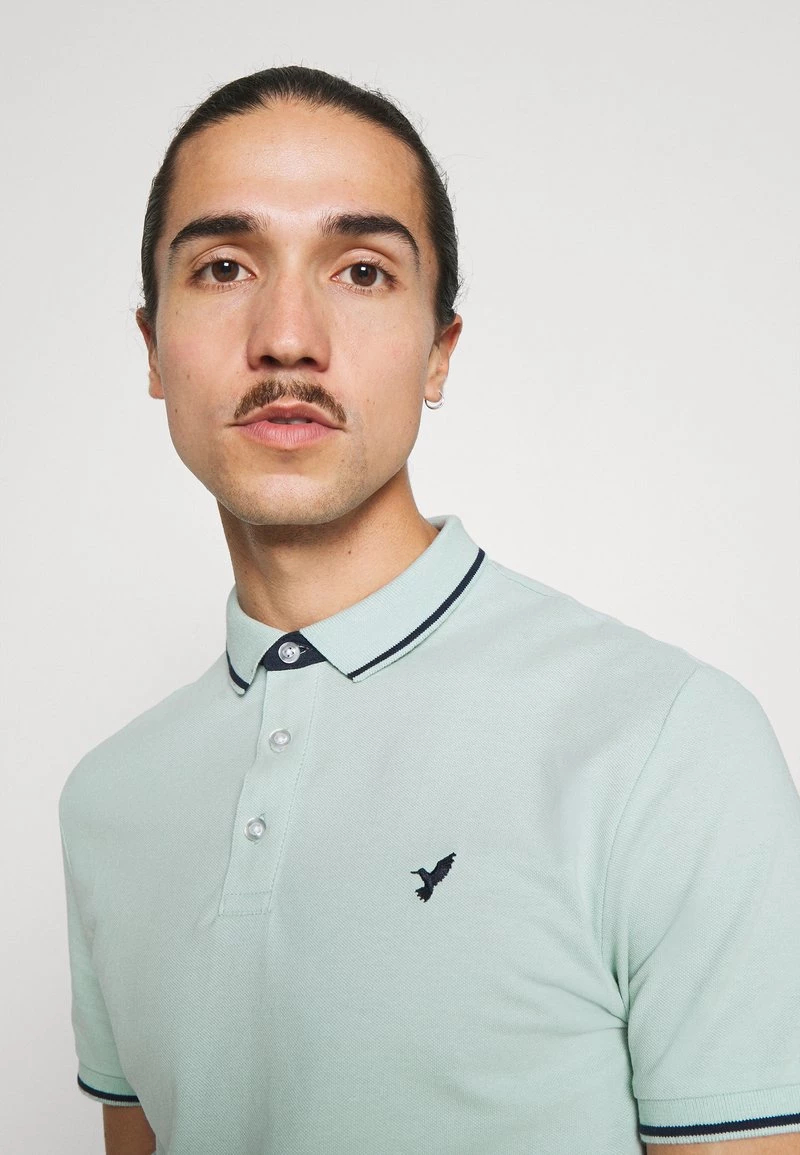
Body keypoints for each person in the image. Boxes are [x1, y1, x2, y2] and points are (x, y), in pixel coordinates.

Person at [57, 65, 800, 1155]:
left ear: (439, 353)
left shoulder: (667, 745)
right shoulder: (106, 801)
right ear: (153, 348)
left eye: (361, 271)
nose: (287, 337)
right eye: (223, 267)